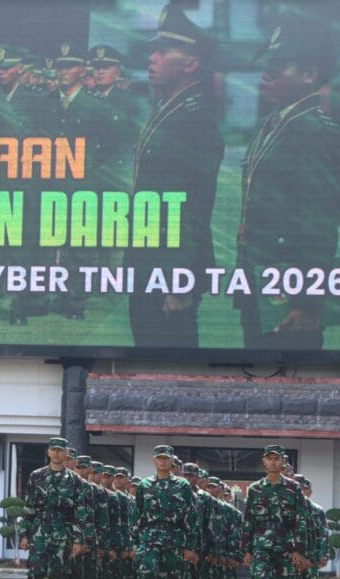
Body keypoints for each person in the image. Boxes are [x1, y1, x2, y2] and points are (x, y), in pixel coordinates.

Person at [236, 25, 340, 350]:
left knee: (289, 372)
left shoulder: (313, 131)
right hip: (261, 280)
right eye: (268, 65)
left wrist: (308, 302)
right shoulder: (272, 124)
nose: (266, 74)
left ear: (309, 75)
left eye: (279, 67)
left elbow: (319, 221)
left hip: (291, 295)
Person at [125, 4, 223, 347]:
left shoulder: (191, 120)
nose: (151, 58)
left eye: (163, 51)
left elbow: (189, 206)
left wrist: (178, 280)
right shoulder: (171, 110)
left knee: (169, 357)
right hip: (152, 262)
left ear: (191, 64)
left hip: (168, 271)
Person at [19, 438, 92, 579]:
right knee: (36, 576)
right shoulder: (37, 476)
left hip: (63, 532)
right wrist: (24, 534)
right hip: (40, 532)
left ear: (66, 453)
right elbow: (29, 507)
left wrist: (78, 539)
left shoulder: (75, 480)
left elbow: (81, 512)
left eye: (60, 450)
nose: (57, 453)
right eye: (53, 450)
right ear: (48, 452)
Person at [241, 445, 311, 579]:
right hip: (261, 546)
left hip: (286, 547)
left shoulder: (293, 488)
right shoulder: (255, 488)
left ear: (283, 462)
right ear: (264, 462)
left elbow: (301, 520)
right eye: (269, 458)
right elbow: (248, 520)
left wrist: (300, 550)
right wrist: (246, 550)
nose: (273, 462)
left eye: (277, 458)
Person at [135, 445, 199, 579]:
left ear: (172, 461)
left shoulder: (182, 485)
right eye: (159, 458)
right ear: (154, 460)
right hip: (150, 536)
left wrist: (190, 546)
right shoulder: (145, 485)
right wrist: (134, 542)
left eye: (166, 458)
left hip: (174, 537)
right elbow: (137, 515)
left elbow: (191, 516)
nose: (163, 461)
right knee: (147, 573)